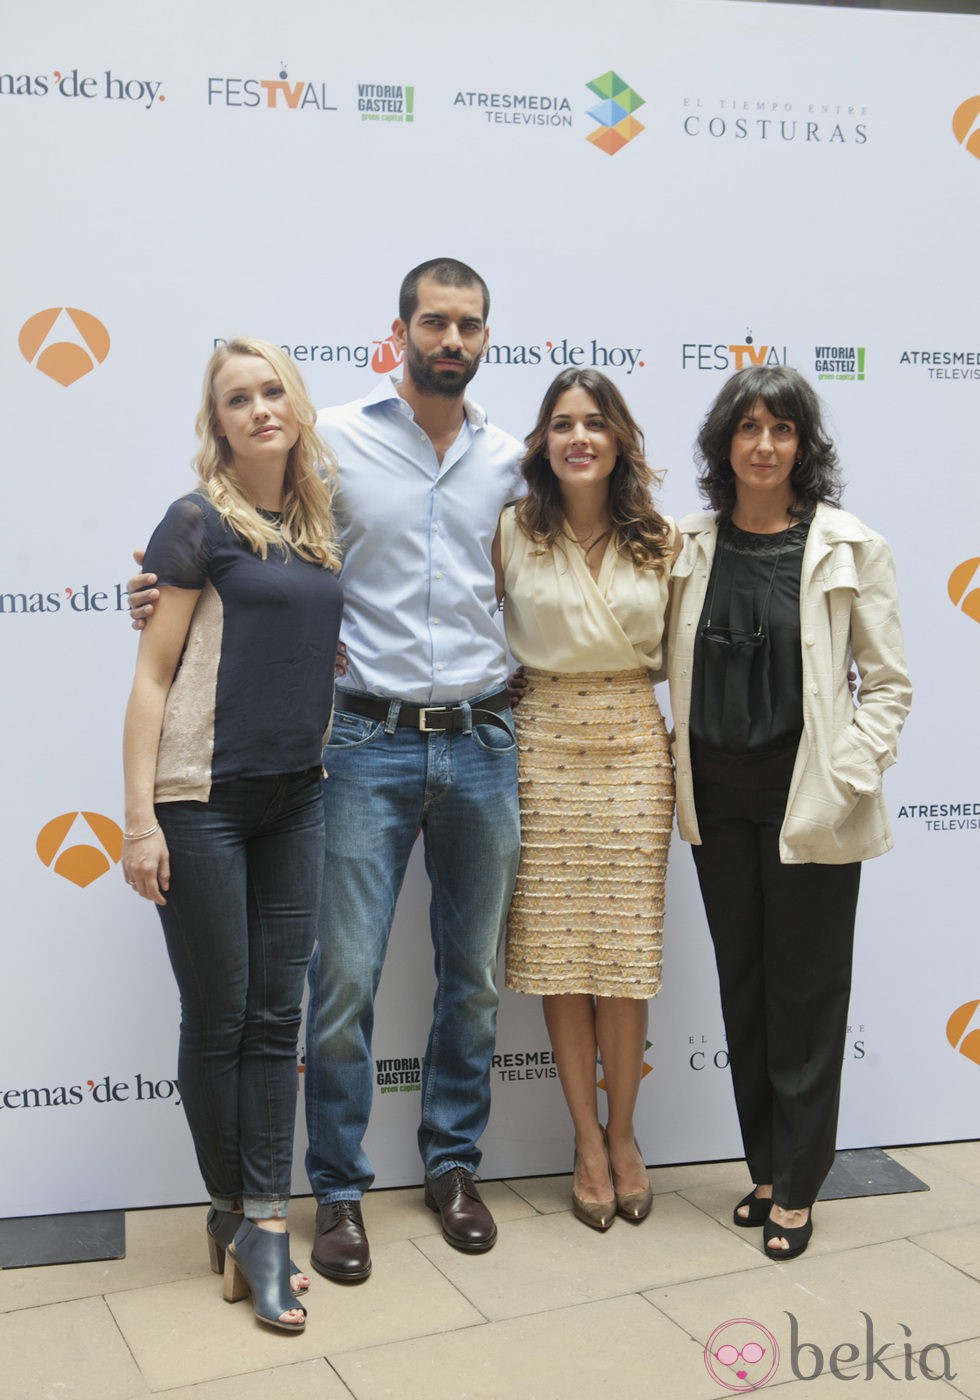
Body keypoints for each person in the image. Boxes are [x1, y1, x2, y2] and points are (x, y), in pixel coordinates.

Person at [122, 338, 343, 1330]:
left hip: (296, 795)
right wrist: (138, 822)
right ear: (217, 423)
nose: (258, 409)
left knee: (274, 1020)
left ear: (294, 405)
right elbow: (152, 677)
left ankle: (256, 1215)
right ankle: (242, 1217)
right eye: (236, 399)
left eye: (271, 392)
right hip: (198, 800)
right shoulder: (194, 521)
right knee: (219, 1018)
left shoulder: (315, 528)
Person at [667, 365, 911, 1260]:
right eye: (748, 429)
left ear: (803, 446)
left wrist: (845, 776)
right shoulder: (685, 544)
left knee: (806, 995)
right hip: (715, 803)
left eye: (782, 430)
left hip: (809, 804)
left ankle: (800, 1186)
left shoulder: (852, 545)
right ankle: (765, 1169)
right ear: (723, 444)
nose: (764, 446)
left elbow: (887, 685)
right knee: (745, 988)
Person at [493, 368, 676, 1230]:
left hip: (636, 742)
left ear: (618, 439)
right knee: (559, 954)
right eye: (562, 423)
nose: (578, 437)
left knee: (627, 956)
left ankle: (628, 1132)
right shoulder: (511, 531)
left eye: (594, 423)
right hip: (542, 742)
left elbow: (697, 651)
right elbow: (440, 616)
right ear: (543, 441)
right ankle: (584, 1140)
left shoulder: (663, 539)